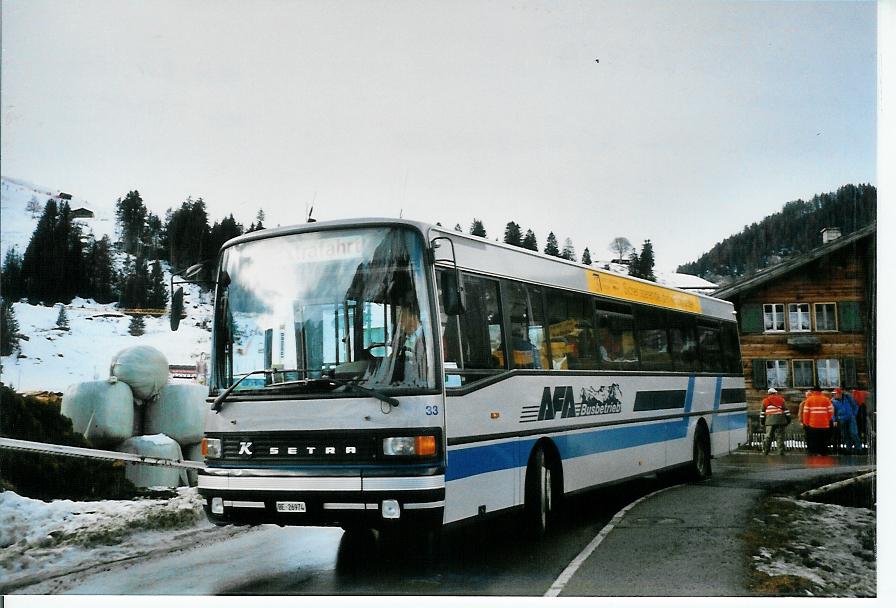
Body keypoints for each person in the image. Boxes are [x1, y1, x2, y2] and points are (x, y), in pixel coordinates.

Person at [801, 385, 835, 455]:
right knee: (823, 439)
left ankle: (815, 453)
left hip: (812, 424)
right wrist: (827, 420)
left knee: (814, 439)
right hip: (824, 424)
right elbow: (831, 412)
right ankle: (823, 452)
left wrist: (806, 423)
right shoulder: (826, 399)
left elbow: (806, 413)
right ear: (821, 391)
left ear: (813, 391)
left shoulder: (809, 400)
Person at [761, 387, 789, 455]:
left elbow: (762, 413)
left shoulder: (765, 401)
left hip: (769, 421)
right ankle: (780, 452)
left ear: (769, 393)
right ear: (775, 393)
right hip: (780, 420)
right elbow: (786, 411)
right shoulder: (781, 400)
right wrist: (788, 419)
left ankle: (765, 452)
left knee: (768, 437)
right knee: (780, 437)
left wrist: (762, 421)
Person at [832, 388, 860, 455]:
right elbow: (832, 412)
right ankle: (848, 449)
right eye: (834, 394)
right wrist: (834, 420)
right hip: (841, 419)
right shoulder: (833, 401)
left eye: (835, 394)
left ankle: (858, 448)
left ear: (840, 394)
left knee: (854, 433)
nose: (834, 395)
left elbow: (856, 406)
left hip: (851, 418)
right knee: (845, 434)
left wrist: (854, 414)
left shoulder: (848, 398)